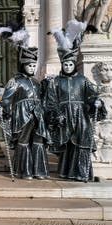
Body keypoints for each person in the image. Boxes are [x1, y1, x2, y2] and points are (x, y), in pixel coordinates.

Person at [47, 19, 106, 182]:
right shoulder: (56, 82)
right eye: (65, 64)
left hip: (81, 117)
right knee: (68, 146)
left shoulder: (82, 80)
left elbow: (92, 94)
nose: (67, 67)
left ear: (74, 64)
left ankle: (82, 173)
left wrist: (96, 102)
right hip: (65, 117)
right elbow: (51, 101)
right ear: (62, 65)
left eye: (70, 64)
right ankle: (67, 172)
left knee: (82, 144)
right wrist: (56, 114)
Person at [0, 25, 50, 180]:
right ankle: (24, 171)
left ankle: (39, 170)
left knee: (39, 141)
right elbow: (7, 99)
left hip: (37, 115)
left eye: (34, 65)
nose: (32, 68)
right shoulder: (16, 81)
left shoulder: (37, 82)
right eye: (29, 65)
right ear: (23, 65)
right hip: (22, 115)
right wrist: (1, 108)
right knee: (24, 141)